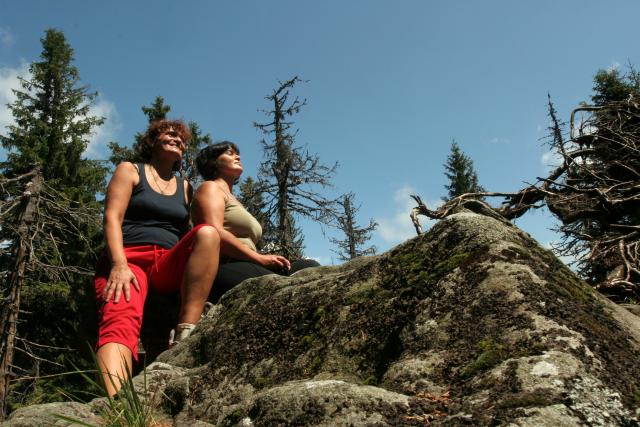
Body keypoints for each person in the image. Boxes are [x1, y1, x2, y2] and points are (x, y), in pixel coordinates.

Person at [94, 120, 220, 395]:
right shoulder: (130, 170)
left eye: (182, 139)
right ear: (152, 141)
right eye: (170, 134)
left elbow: (186, 234)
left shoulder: (185, 187)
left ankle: (186, 332)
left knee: (208, 233)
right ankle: (118, 406)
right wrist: (118, 264)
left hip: (166, 263)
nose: (178, 140)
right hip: (131, 260)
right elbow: (112, 217)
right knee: (120, 316)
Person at [192, 142, 319, 297]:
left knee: (309, 266)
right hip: (225, 266)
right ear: (214, 162)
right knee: (286, 286)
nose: (238, 157)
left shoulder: (235, 200)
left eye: (237, 154)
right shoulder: (210, 188)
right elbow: (214, 232)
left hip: (249, 264)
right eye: (230, 153)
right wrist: (259, 258)